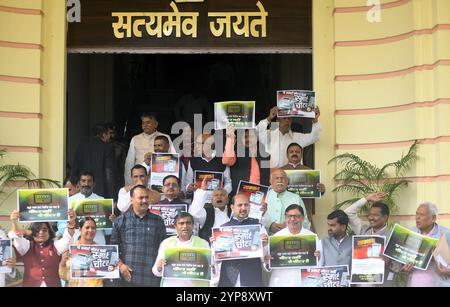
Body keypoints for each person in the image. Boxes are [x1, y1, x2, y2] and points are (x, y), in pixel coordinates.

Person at [111, 186, 166, 287]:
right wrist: (121, 266)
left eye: (146, 197)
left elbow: (164, 249)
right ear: (131, 200)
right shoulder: (120, 221)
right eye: (140, 198)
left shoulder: (158, 221)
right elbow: (113, 250)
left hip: (151, 279)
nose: (144, 200)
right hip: (127, 278)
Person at [8, 210, 75, 287]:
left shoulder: (56, 246)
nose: (41, 232)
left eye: (44, 230)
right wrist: (14, 222)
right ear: (32, 233)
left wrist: (71, 223)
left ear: (49, 233)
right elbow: (17, 236)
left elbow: (68, 239)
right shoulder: (26, 246)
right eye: (37, 230)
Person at [215, 193, 269, 287]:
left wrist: (264, 245)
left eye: (246, 205)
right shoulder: (222, 229)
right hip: (229, 280)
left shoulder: (259, 227)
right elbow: (216, 261)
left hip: (252, 279)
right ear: (232, 207)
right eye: (239, 205)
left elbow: (267, 257)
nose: (243, 208)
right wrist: (215, 246)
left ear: (250, 206)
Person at [268, 204, 322, 287]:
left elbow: (319, 264)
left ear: (302, 218)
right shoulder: (276, 238)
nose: (292, 219)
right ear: (285, 218)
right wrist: (267, 260)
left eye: (296, 216)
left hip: (303, 282)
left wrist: (318, 257)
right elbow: (268, 265)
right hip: (281, 282)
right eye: (289, 216)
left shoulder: (312, 238)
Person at [153, 212, 211, 287]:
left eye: (188, 223)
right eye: (181, 223)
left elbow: (213, 271)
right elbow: (155, 271)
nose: (185, 226)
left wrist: (212, 269)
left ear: (193, 225)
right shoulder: (166, 243)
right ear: (175, 226)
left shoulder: (203, 244)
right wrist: (159, 267)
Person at [401, 202, 450, 287]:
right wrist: (405, 269)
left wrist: (447, 271)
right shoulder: (410, 233)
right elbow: (402, 260)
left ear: (433, 218)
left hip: (438, 283)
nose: (417, 218)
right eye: (416, 214)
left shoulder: (446, 234)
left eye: (422, 215)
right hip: (414, 284)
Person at [256, 106, 321, 168]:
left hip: (290, 172)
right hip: (272, 173)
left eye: (289, 119)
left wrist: (315, 120)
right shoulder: (268, 135)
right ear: (278, 121)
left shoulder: (296, 137)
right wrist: (269, 118)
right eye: (284, 118)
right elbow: (254, 133)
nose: (287, 121)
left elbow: (314, 137)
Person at [281, 142, 326, 231]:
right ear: (287, 155)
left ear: (301, 155)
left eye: (297, 152)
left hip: (305, 211)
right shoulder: (280, 171)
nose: (294, 153)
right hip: (284, 212)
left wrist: (321, 190)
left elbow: (315, 190)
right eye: (291, 152)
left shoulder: (309, 172)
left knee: (307, 241)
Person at [58, 171, 108, 245]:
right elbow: (61, 228)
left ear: (94, 183)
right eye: (83, 181)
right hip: (76, 242)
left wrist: (110, 220)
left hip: (97, 242)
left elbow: (108, 230)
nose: (86, 184)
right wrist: (73, 222)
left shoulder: (102, 201)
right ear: (79, 183)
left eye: (89, 181)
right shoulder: (70, 201)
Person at [124, 113, 175, 186]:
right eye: (143, 123)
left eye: (148, 122)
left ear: (156, 124)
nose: (145, 125)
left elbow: (173, 159)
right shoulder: (135, 139)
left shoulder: (165, 137)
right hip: (140, 179)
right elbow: (130, 162)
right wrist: (129, 184)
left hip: (159, 179)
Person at [71, 123, 117, 199]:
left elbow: (74, 169)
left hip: (82, 191)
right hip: (101, 192)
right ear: (103, 134)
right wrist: (112, 197)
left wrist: (76, 187)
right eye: (108, 133)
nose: (109, 136)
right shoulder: (108, 148)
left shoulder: (81, 146)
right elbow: (109, 174)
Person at [222, 127, 270, 198]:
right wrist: (230, 137)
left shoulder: (265, 155)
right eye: (245, 137)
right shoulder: (236, 152)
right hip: (240, 197)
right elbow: (227, 160)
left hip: (259, 197)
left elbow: (268, 177)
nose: (248, 139)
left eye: (251, 137)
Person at [59, 217, 104, 287]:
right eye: (87, 227)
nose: (90, 230)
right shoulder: (71, 249)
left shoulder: (101, 251)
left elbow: (105, 276)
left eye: (93, 228)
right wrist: (62, 263)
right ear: (80, 229)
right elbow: (64, 276)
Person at [184, 133, 232, 198]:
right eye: (196, 143)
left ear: (211, 145)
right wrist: (188, 188)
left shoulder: (222, 159)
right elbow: (188, 181)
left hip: (217, 202)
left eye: (199, 143)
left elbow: (228, 182)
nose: (196, 146)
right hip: (198, 201)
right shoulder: (193, 160)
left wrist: (223, 192)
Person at [263, 169, 310, 234]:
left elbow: (305, 222)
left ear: (287, 181)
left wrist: (291, 226)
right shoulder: (263, 197)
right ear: (270, 181)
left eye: (282, 178)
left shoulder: (296, 198)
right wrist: (269, 225)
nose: (279, 180)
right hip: (266, 238)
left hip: (290, 238)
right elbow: (254, 217)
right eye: (277, 178)